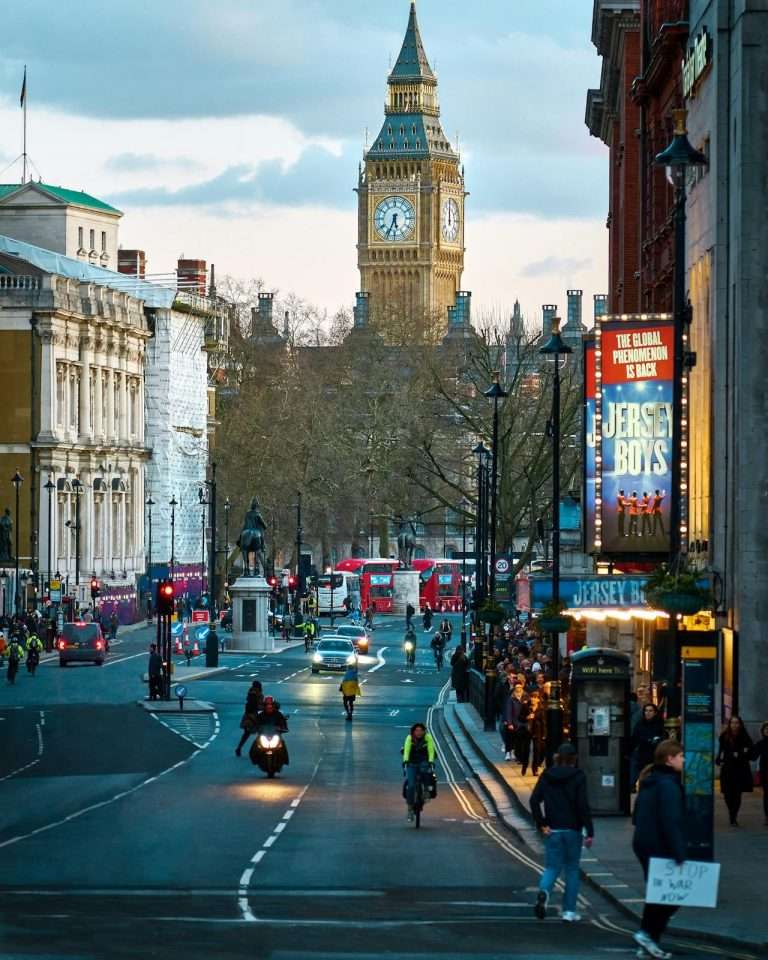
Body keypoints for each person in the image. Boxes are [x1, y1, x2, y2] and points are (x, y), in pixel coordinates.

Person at [632, 740, 686, 959]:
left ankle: (648, 939)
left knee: (660, 893)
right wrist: (679, 852)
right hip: (658, 845)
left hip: (644, 843)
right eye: (680, 755)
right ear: (669, 759)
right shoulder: (668, 785)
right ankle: (648, 933)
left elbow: (636, 817)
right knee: (670, 896)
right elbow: (671, 821)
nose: (684, 759)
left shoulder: (650, 781)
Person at [530, 742, 594, 923]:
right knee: (572, 870)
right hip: (573, 830)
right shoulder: (579, 776)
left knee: (552, 867)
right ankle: (569, 912)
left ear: (557, 757)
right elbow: (582, 805)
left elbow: (534, 801)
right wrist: (589, 830)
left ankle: (544, 892)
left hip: (553, 829)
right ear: (574, 758)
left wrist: (542, 824)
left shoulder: (547, 775)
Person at [716, 716, 754, 826]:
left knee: (737, 794)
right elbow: (721, 751)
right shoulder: (724, 736)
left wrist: (740, 753)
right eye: (732, 723)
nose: (734, 725)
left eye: (737, 723)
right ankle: (731, 813)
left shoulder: (744, 736)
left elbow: (749, 751)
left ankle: (733, 816)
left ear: (740, 724)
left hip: (740, 769)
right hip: (727, 769)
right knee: (727, 794)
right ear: (729, 724)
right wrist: (719, 759)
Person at [401, 722, 436, 822]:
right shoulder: (409, 738)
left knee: (426, 771)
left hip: (423, 762)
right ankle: (410, 809)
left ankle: (426, 791)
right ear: (413, 731)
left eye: (421, 730)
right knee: (411, 785)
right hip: (412, 763)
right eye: (417, 730)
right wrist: (406, 761)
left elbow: (431, 750)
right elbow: (406, 750)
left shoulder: (428, 738)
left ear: (424, 731)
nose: (419, 732)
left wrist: (431, 761)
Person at [630, 703, 665, 790]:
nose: (648, 713)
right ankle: (631, 786)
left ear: (655, 713)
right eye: (646, 710)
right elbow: (635, 737)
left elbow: (662, 738)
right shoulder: (640, 724)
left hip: (654, 752)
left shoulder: (660, 724)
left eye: (650, 711)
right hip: (642, 751)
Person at [235, 681, 264, 755]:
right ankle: (258, 749)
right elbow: (258, 705)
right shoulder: (258, 694)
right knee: (261, 732)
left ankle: (239, 747)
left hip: (247, 716)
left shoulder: (250, 693)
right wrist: (263, 707)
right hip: (254, 716)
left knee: (246, 734)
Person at [501, 682, 527, 762]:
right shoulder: (511, 698)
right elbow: (508, 711)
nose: (518, 689)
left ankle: (515, 753)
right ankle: (508, 752)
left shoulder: (526, 697)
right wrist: (509, 723)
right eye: (517, 687)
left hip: (521, 722)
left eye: (520, 687)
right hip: (513, 721)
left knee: (518, 740)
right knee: (510, 738)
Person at [750, 721, 768, 826]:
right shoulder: (760, 743)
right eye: (766, 729)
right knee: (767, 795)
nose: (767, 731)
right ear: (763, 731)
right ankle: (767, 816)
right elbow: (753, 757)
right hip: (765, 772)